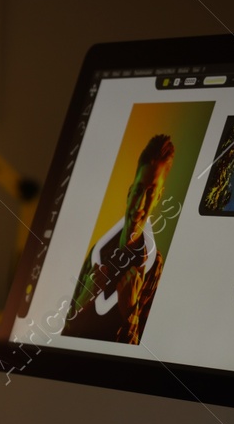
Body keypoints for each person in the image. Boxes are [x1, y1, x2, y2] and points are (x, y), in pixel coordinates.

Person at [63, 134, 176, 345]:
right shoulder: (99, 250)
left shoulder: (154, 266)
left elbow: (138, 361)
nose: (141, 203)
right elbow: (62, 331)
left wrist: (130, 311)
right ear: (129, 192)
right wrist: (80, 303)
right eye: (139, 190)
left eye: (151, 192)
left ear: (159, 197)